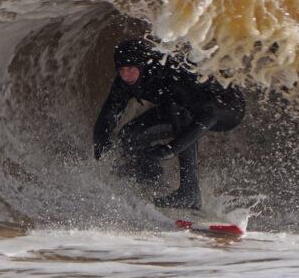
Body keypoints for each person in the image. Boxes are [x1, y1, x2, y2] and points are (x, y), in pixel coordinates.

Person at [92, 38, 245, 210]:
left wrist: (170, 149)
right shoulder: (126, 81)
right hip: (182, 106)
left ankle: (190, 192)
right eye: (121, 70)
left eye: (130, 69)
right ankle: (149, 178)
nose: (126, 75)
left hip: (225, 108)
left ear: (142, 66)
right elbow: (109, 114)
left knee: (180, 113)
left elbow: (208, 115)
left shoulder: (171, 74)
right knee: (130, 135)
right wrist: (100, 143)